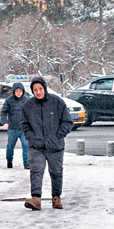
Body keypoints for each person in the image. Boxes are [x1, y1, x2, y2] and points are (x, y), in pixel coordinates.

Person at [20, 77, 73, 210]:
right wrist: (31, 137)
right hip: (36, 146)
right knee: (36, 170)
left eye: (40, 89)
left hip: (55, 146)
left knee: (56, 172)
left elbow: (67, 122)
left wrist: (58, 135)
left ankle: (56, 198)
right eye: (35, 90)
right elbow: (24, 124)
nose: (38, 92)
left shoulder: (57, 102)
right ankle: (36, 199)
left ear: (45, 88)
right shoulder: (28, 105)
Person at [0, 82, 30, 169]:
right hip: (12, 128)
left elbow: (31, 113)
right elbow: (3, 112)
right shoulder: (9, 100)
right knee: (10, 146)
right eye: (16, 91)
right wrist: (5, 122)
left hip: (24, 128)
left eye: (20, 91)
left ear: (23, 91)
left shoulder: (26, 100)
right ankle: (9, 161)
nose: (18, 93)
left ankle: (27, 163)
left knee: (26, 145)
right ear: (13, 91)